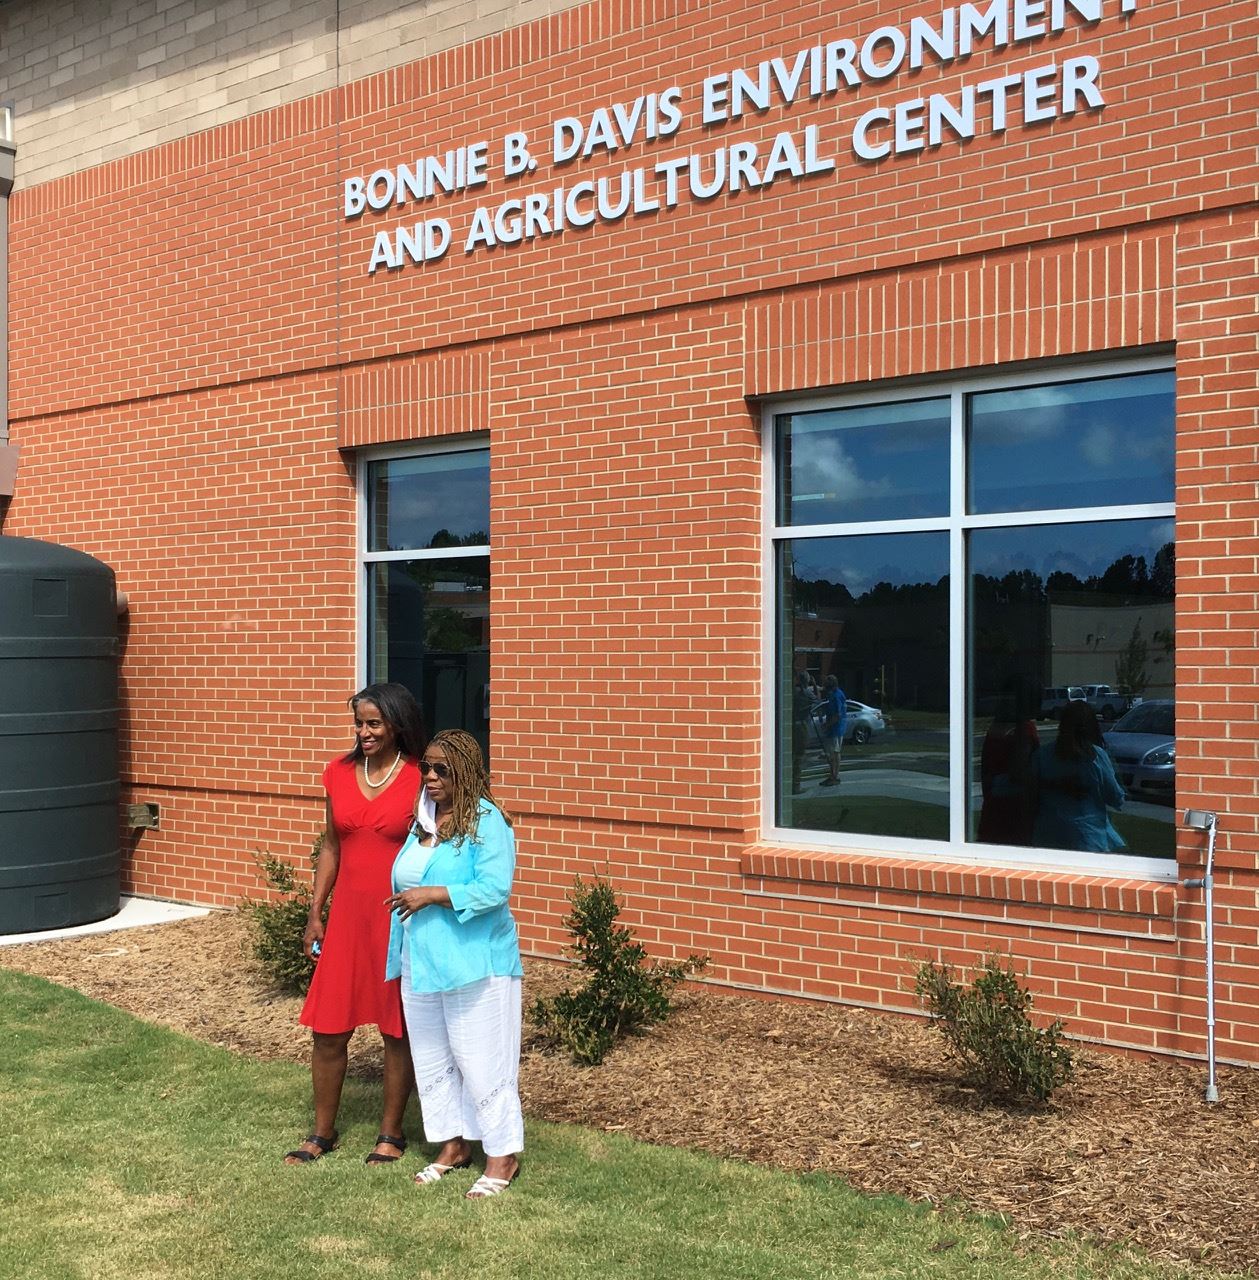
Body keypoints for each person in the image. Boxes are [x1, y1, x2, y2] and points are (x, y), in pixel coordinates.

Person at [285, 682, 426, 1166]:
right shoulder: (338, 773)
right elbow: (331, 846)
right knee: (327, 1029)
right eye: (359, 723)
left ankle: (391, 1133)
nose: (363, 732)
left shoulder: (420, 779)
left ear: (396, 725)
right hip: (346, 919)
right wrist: (315, 912)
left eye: (373, 723)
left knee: (397, 1031)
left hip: (397, 920)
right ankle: (322, 1132)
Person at [385, 729, 525, 1199]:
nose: (430, 777)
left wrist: (434, 895)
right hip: (421, 961)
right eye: (427, 767)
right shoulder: (423, 820)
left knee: (483, 1061)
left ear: (466, 770)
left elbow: (494, 889)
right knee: (433, 1059)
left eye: (442, 769)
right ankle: (452, 1146)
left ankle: (502, 1156)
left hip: (476, 963)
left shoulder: (487, 822)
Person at [1031, 699, 1126, 852]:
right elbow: (1114, 796)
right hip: (1088, 838)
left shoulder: (1042, 755)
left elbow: (1030, 791)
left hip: (1047, 835)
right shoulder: (1095, 757)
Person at [977, 676, 1041, 846]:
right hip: (1015, 809)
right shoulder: (1024, 730)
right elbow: (1020, 772)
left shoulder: (996, 728)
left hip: (994, 807)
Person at [790, 669, 817, 794]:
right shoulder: (807, 693)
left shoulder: (793, 692)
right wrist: (815, 685)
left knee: (791, 757)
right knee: (799, 758)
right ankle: (796, 786)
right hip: (801, 727)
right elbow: (818, 700)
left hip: (791, 727)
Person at [820, 674, 847, 786]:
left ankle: (834, 775)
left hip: (836, 729)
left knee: (834, 753)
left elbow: (837, 715)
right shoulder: (837, 694)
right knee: (833, 752)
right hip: (836, 728)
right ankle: (832, 774)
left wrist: (827, 725)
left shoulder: (836, 696)